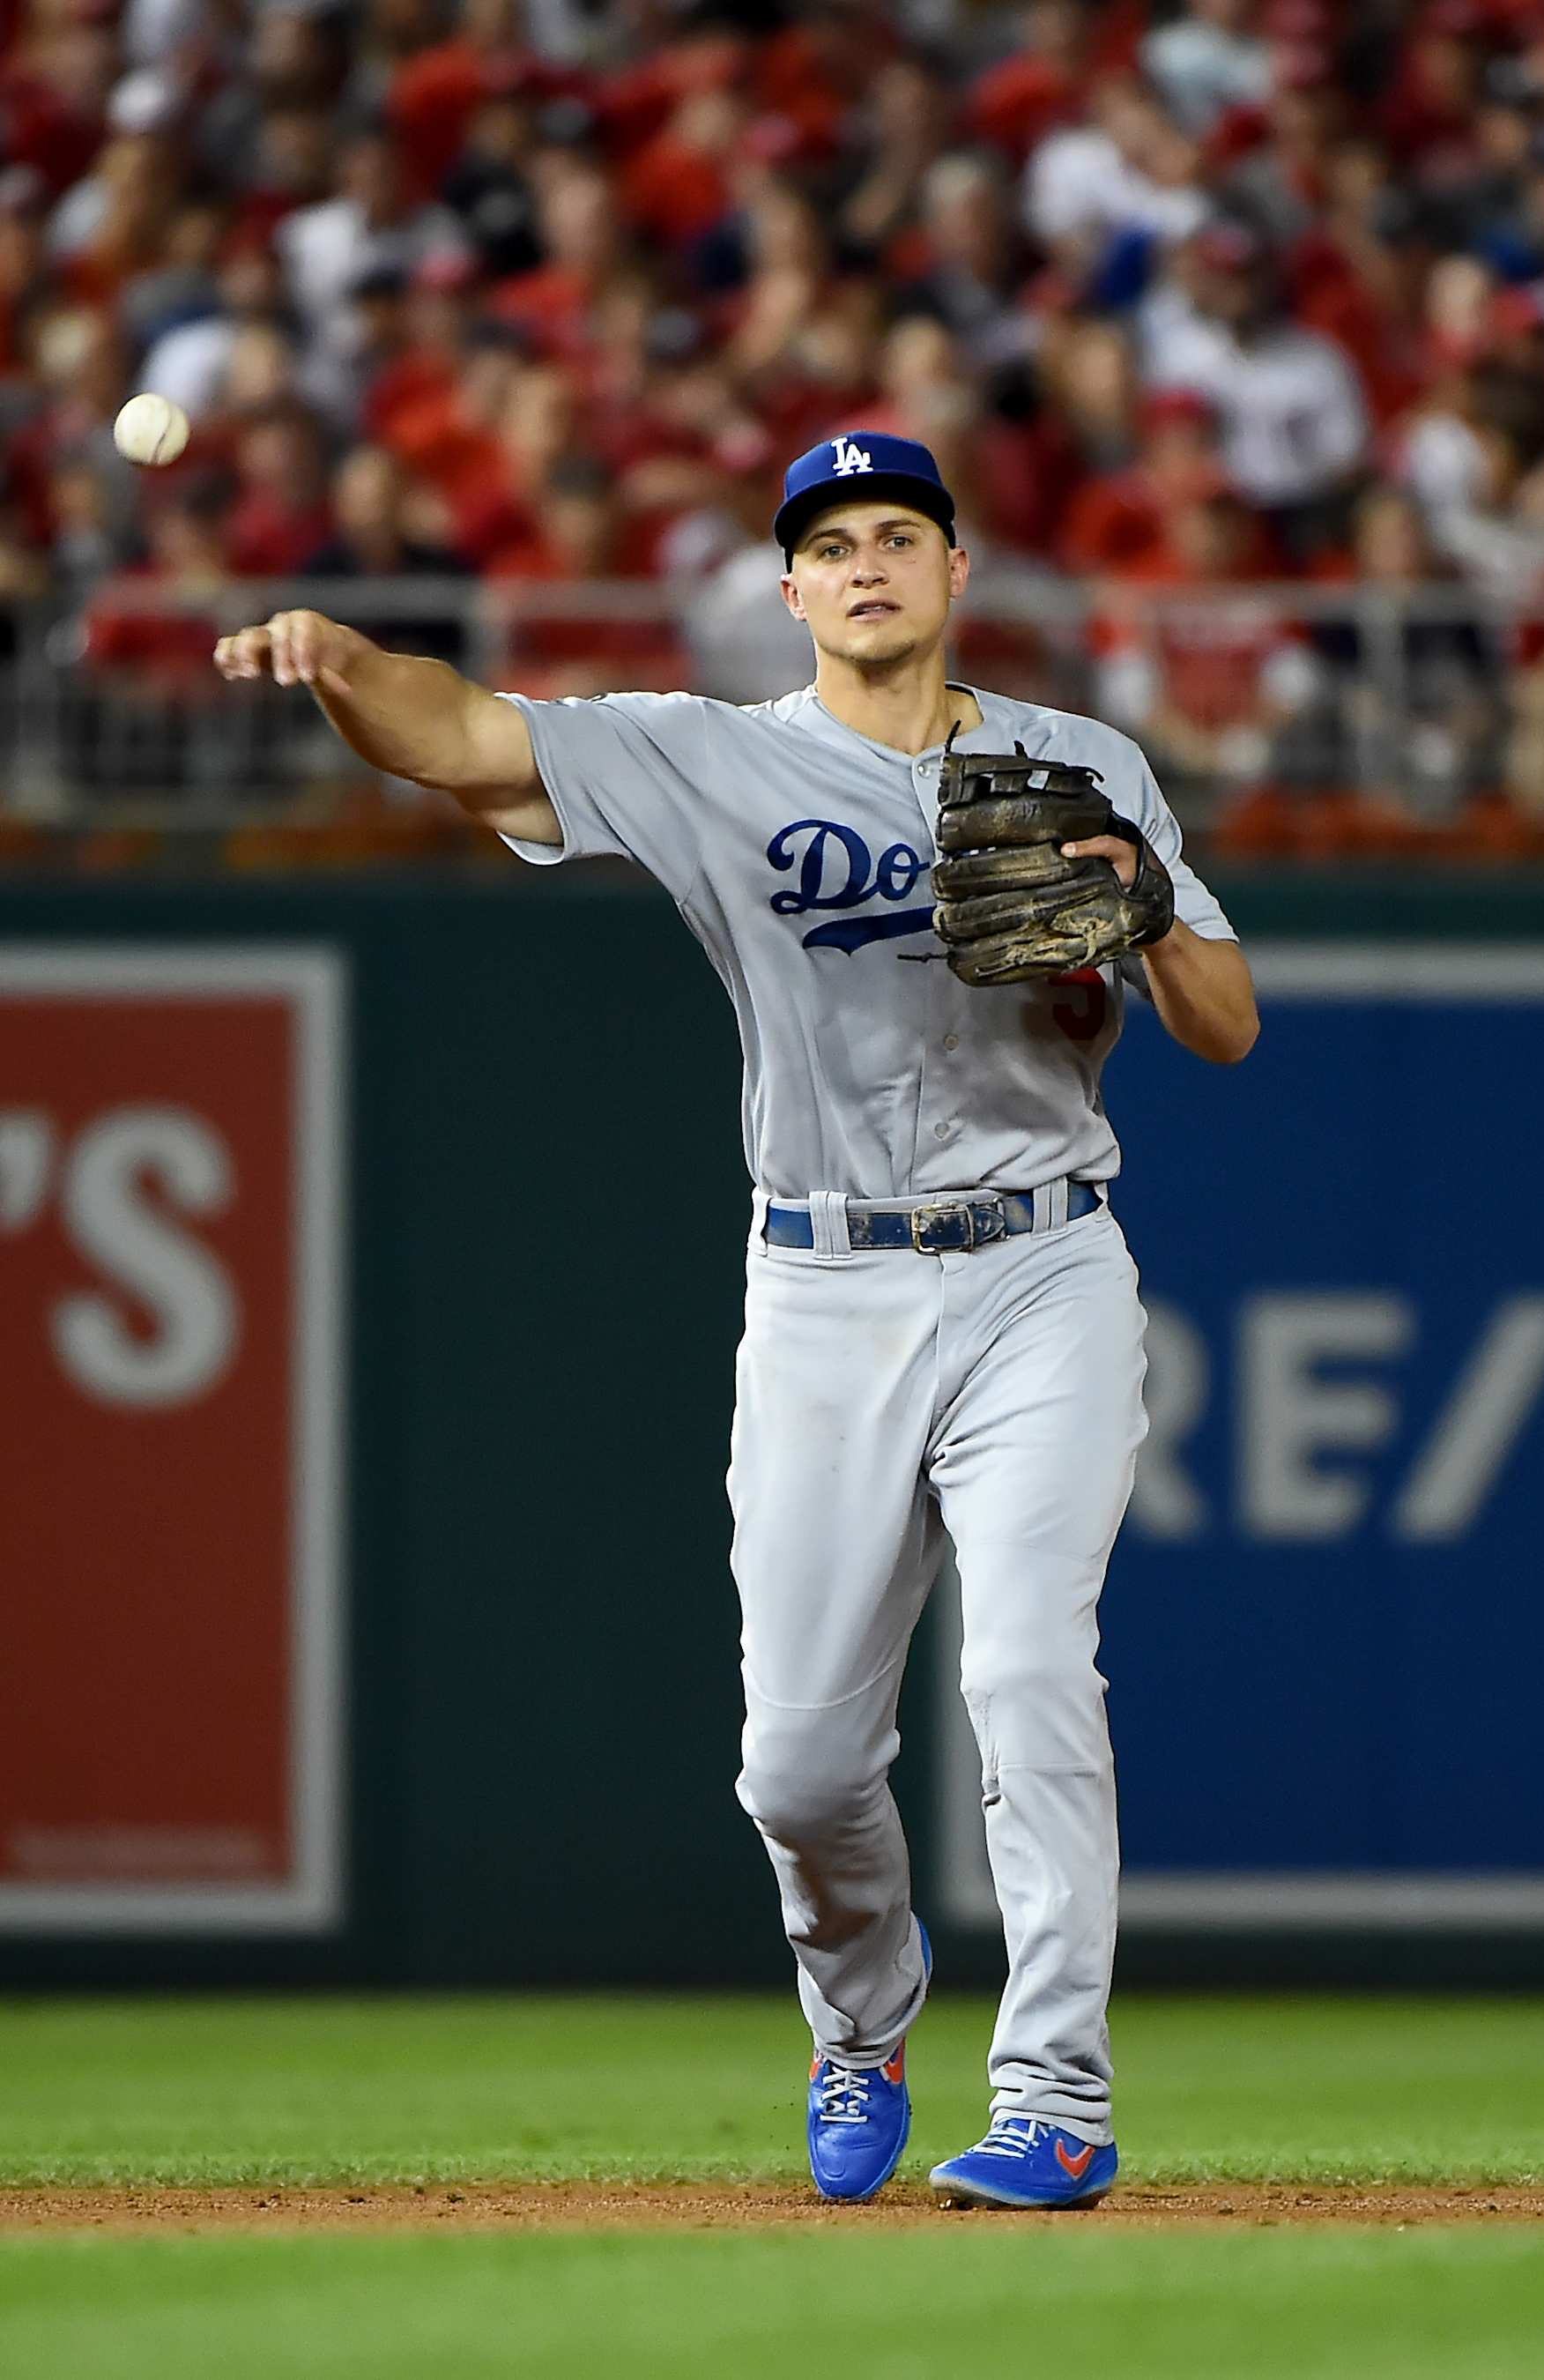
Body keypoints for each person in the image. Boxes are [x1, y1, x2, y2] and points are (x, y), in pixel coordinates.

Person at [212, 432, 1258, 2213]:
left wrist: (1146, 911)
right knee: (796, 1763)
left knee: (1023, 1673)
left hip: (1040, 1267)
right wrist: (335, 663)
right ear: (788, 591)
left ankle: (1055, 2097)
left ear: (950, 573)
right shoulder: (709, 759)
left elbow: (1224, 1028)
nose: (863, 565)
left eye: (895, 536)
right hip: (825, 1281)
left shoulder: (1075, 764)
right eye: (829, 543)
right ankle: (856, 2029)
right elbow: (459, 733)